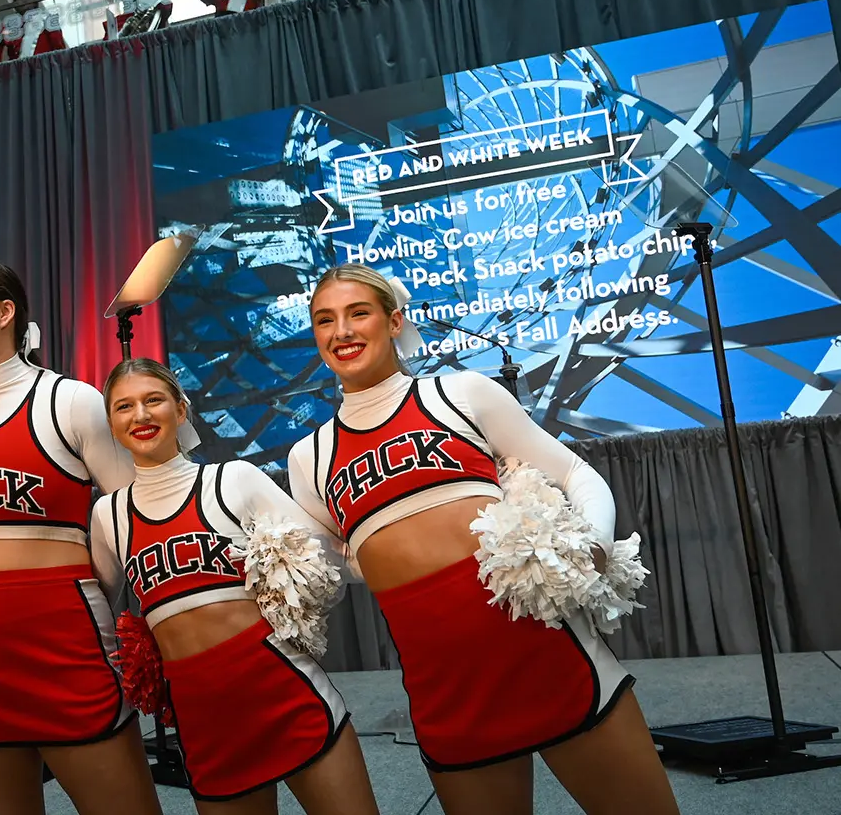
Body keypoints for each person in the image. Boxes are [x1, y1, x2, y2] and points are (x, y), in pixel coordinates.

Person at [286, 264, 679, 815]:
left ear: (394, 321)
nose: (341, 331)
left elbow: (574, 475)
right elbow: (331, 565)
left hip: (550, 659)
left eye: (358, 313)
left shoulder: (461, 393)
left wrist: (592, 544)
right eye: (325, 320)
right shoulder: (309, 457)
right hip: (448, 694)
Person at [0, 258, 161, 815]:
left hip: (65, 649)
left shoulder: (70, 400)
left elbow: (129, 519)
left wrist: (100, 602)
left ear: (5, 312)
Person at [90, 358, 380, 814]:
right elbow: (100, 608)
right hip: (206, 725)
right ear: (111, 423)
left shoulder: (234, 479)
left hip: (285, 697)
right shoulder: (108, 514)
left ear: (181, 410)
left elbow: (326, 558)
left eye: (153, 400)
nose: (140, 416)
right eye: (124, 407)